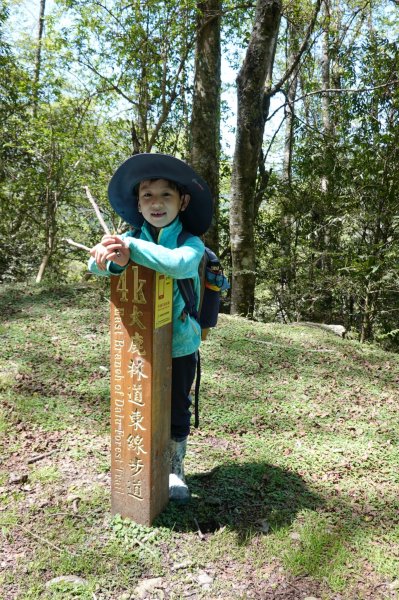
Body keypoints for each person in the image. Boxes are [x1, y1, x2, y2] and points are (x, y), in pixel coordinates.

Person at [88, 153, 213, 504]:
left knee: (176, 407)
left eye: (166, 195)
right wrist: (110, 261)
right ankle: (142, 460)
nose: (156, 203)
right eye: (147, 195)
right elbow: (95, 266)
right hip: (139, 341)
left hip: (180, 343)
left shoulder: (191, 243)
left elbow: (177, 264)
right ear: (137, 203)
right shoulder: (130, 238)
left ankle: (175, 467)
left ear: (182, 201)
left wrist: (129, 248)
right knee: (140, 402)